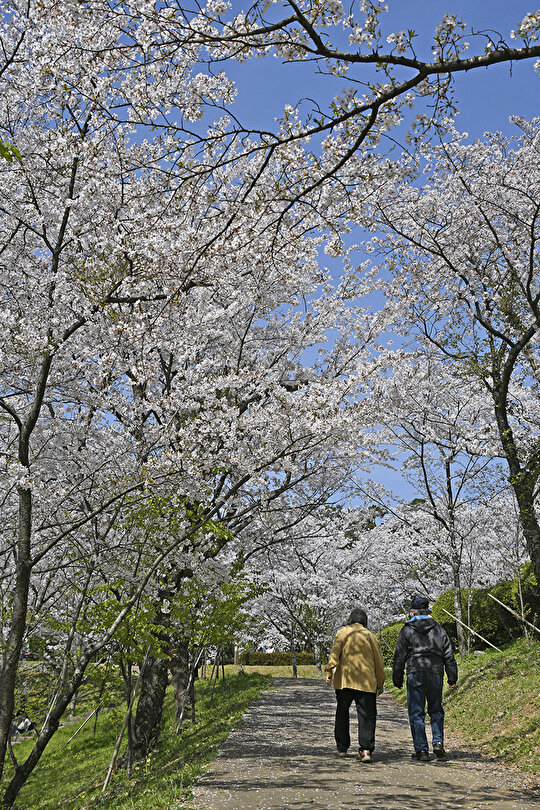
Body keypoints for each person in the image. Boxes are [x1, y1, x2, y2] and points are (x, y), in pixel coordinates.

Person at [393, 595, 458, 762]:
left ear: (413, 612)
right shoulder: (439, 629)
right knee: (436, 709)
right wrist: (452, 678)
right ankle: (438, 742)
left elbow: (400, 655)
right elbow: (448, 655)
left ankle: (421, 750)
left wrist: (397, 678)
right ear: (428, 610)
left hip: (415, 671)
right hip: (435, 671)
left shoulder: (407, 629)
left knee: (416, 712)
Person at [324, 607, 385, 762]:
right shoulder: (370, 636)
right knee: (367, 715)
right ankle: (365, 750)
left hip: (345, 681)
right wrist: (380, 682)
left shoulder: (343, 632)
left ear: (350, 620)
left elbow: (335, 653)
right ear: (365, 621)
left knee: (342, 712)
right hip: (366, 682)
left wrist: (329, 671)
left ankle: (342, 748)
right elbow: (378, 661)